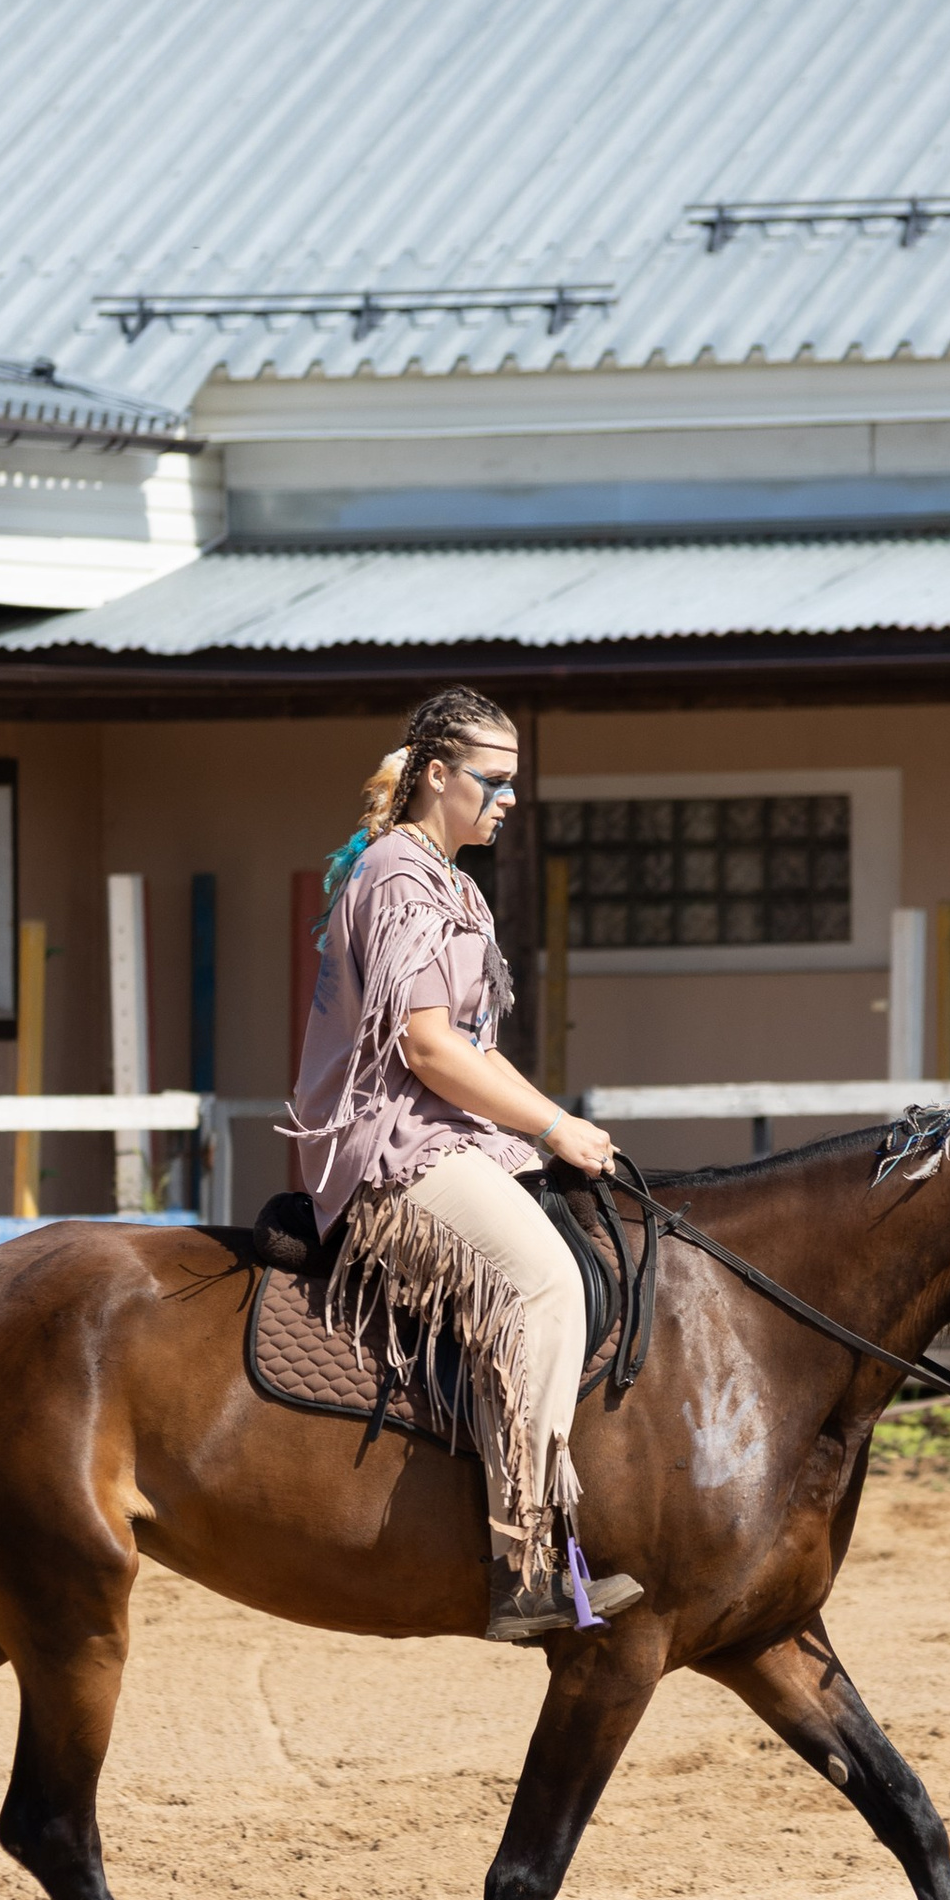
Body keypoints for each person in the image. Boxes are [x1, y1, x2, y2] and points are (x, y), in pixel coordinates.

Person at [287, 685, 644, 1643]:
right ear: (437, 776)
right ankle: (525, 1560)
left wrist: (549, 1121)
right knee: (540, 1283)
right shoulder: (402, 880)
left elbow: (478, 1055)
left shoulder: (447, 878)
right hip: (392, 1155)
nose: (510, 799)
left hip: (449, 1135)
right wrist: (554, 1129)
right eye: (495, 780)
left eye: (514, 782)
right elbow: (430, 1050)